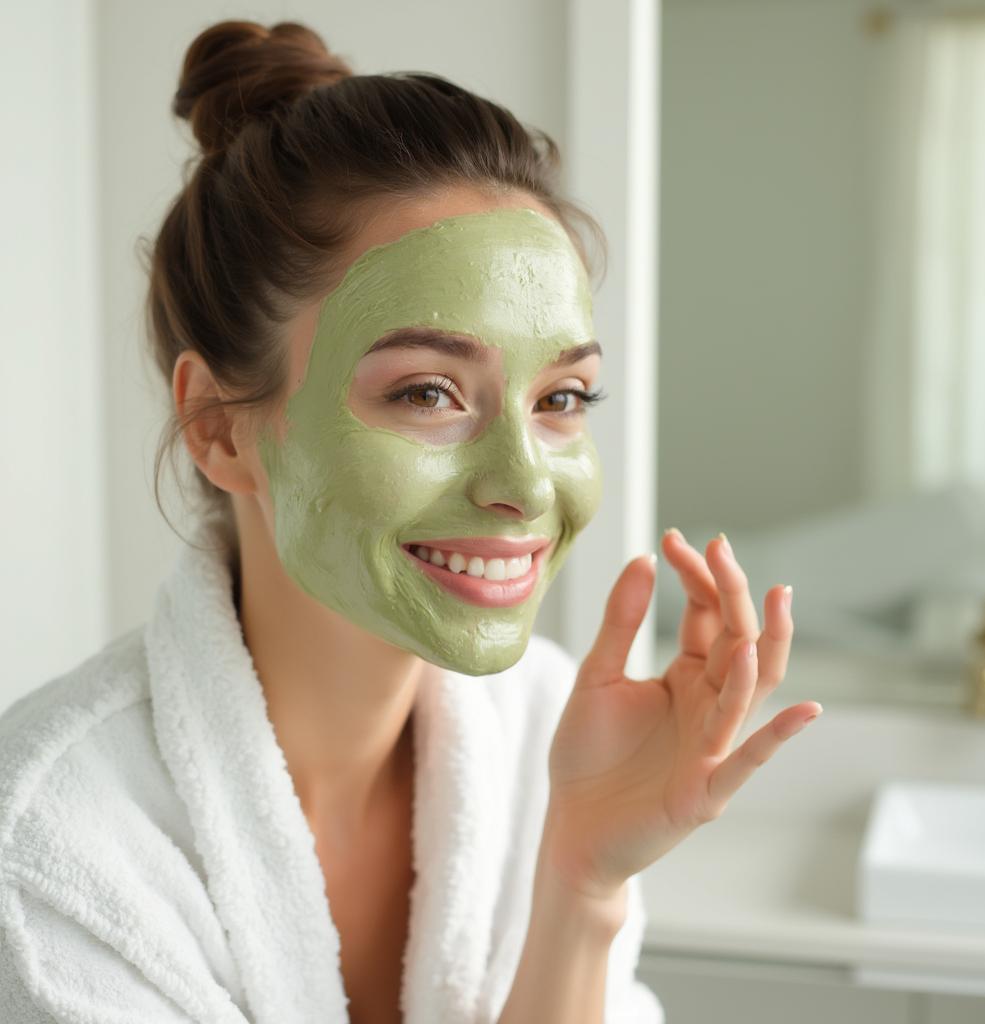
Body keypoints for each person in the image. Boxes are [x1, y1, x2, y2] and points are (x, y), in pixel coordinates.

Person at [0, 19, 821, 1024]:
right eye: (428, 393)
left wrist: (583, 878)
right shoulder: (55, 845)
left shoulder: (545, 731)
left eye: (563, 398)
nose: (523, 484)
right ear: (219, 428)